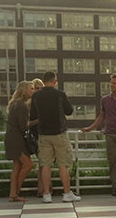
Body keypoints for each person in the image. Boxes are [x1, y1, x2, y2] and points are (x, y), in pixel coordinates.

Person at [30, 71, 80, 203]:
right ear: (55, 81)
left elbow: (33, 114)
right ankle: (67, 193)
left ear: (43, 80)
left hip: (43, 134)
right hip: (59, 132)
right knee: (63, 164)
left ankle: (46, 194)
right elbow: (69, 111)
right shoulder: (60, 94)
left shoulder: (36, 96)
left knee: (45, 164)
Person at [81, 73, 116, 196]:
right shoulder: (105, 100)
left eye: (114, 83)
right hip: (109, 134)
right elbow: (101, 117)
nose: (111, 85)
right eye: (111, 83)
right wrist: (90, 128)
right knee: (112, 161)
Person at [4, 80, 35, 202]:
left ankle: (13, 194)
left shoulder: (15, 104)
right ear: (24, 91)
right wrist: (36, 122)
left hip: (11, 137)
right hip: (17, 139)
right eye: (31, 89)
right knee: (28, 165)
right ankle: (16, 190)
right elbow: (23, 126)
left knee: (17, 166)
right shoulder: (22, 105)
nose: (33, 91)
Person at [30, 78, 48, 197]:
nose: (39, 90)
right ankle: (42, 189)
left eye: (41, 88)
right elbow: (27, 122)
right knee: (43, 162)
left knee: (44, 163)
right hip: (34, 135)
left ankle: (43, 188)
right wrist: (39, 120)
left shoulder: (43, 102)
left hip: (44, 134)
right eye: (36, 88)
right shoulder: (29, 103)